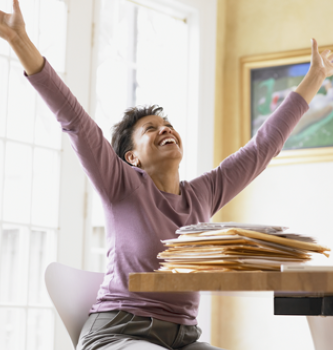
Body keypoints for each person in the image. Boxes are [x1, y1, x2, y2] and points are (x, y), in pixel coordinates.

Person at [1, 1, 333, 349]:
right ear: (132, 157)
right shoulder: (121, 184)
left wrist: (314, 79)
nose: (165, 130)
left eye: (168, 125)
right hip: (119, 332)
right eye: (150, 129)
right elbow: (75, 121)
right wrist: (19, 39)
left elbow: (262, 148)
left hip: (183, 339)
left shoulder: (202, 194)